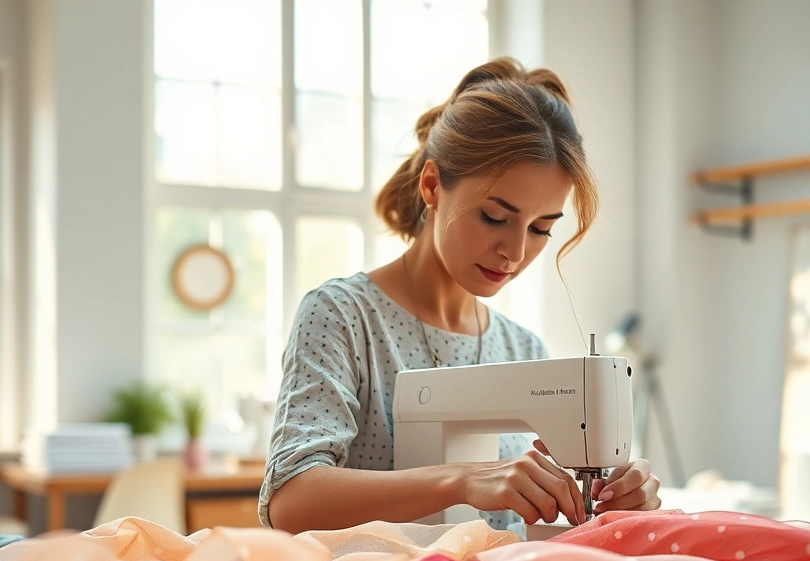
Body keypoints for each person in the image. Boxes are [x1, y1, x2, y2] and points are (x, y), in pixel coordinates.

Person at [260, 58, 662, 535]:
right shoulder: (343, 317)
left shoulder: (522, 350)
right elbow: (290, 501)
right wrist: (461, 480)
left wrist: (617, 501)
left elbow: (550, 520)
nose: (514, 252)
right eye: (494, 216)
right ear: (432, 185)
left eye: (540, 229)